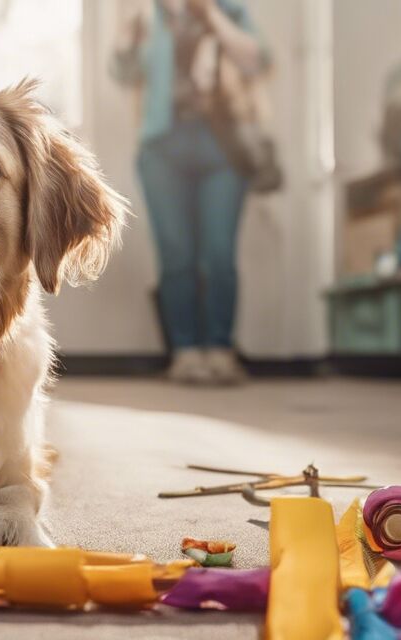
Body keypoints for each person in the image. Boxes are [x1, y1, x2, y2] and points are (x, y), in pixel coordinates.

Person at [111, 0, 274, 385]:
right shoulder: (148, 15)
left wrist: (210, 15)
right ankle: (184, 351)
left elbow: (257, 60)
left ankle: (219, 348)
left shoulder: (229, 10)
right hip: (163, 148)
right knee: (175, 253)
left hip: (222, 144)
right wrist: (127, 36)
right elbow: (123, 71)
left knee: (218, 252)